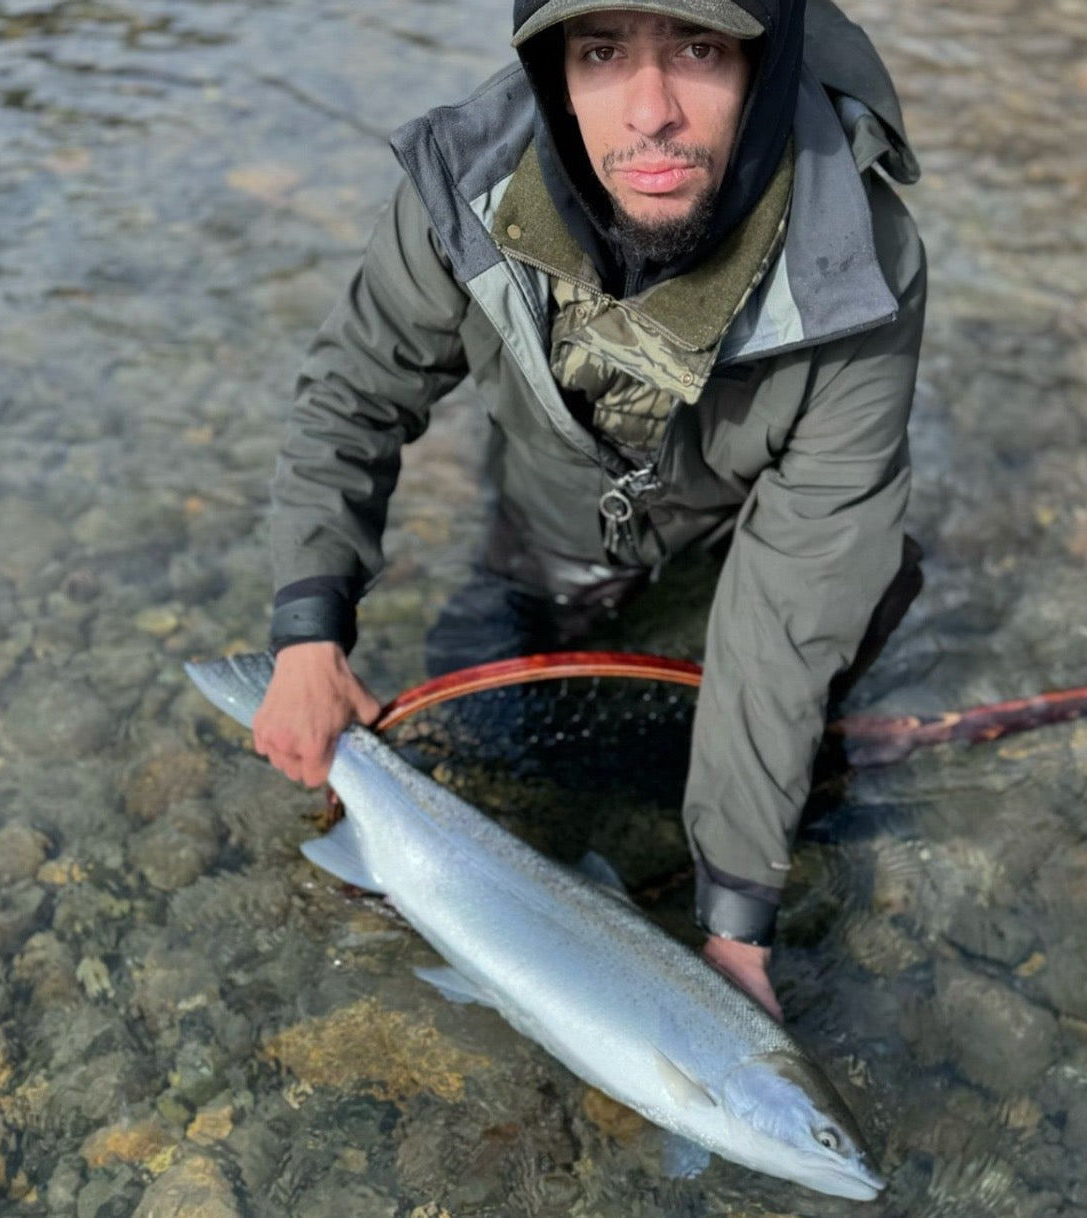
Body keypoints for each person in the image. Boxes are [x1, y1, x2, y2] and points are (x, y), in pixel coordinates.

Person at [253, 0, 926, 1021]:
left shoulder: (859, 275)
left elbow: (793, 597)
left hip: (733, 551)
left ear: (765, 59)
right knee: (484, 776)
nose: (648, 113)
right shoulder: (463, 191)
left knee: (818, 671)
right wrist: (308, 633)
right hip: (546, 542)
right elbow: (354, 397)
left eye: (697, 50)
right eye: (601, 52)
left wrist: (735, 920)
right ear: (547, 68)